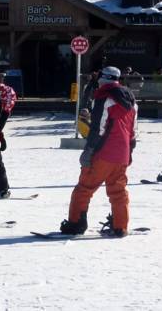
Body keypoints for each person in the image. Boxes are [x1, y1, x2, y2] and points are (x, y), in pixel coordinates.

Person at [60, 66, 138, 237]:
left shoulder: (104, 98)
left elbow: (98, 128)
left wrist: (89, 150)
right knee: (118, 191)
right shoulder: (132, 102)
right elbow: (133, 132)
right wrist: (130, 152)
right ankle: (120, 226)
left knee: (84, 188)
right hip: (123, 153)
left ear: (103, 78)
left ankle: (76, 224)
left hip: (103, 152)